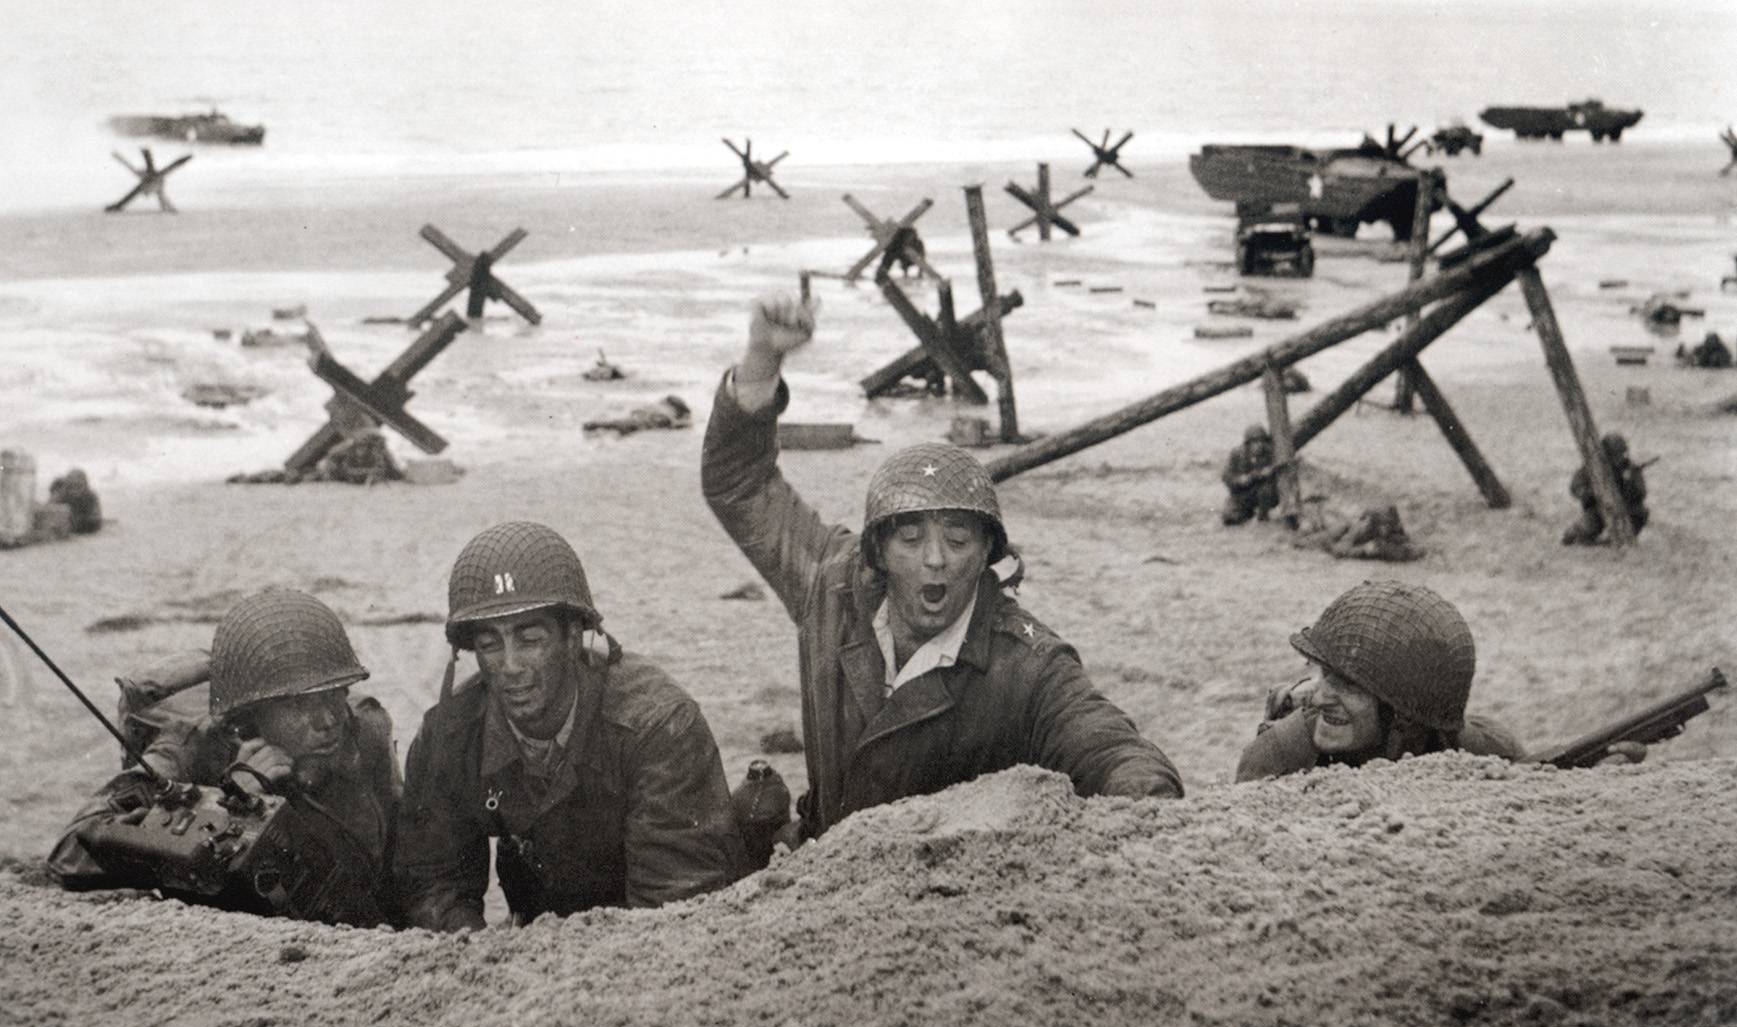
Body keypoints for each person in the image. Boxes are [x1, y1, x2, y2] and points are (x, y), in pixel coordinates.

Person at [702, 295, 1183, 845]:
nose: (935, 558)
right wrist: (761, 358)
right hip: (823, 866)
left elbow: (1113, 750)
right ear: (876, 551)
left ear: (986, 555)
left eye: (957, 539)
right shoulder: (833, 583)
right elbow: (738, 484)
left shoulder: (1027, 664)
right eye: (910, 538)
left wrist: (1147, 816)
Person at [394, 521, 744, 932]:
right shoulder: (450, 737)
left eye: (530, 640)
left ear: (573, 636)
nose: (509, 667)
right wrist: (474, 953)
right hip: (546, 944)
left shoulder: (657, 727)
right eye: (490, 645)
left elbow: (675, 909)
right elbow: (433, 883)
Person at [48, 588, 402, 926]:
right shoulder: (191, 747)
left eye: (334, 694)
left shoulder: (365, 729)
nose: (327, 721)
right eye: (297, 704)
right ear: (249, 716)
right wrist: (220, 808)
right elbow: (70, 852)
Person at [1235, 581, 1526, 781]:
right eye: (1325, 675)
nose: (1319, 697)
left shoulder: (1490, 754)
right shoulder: (1277, 760)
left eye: (1349, 685)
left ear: (1404, 714)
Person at [1561, 433, 1649, 545]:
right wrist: (1595, 492)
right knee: (1581, 533)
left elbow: (1641, 493)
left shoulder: (1629, 468)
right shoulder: (1593, 468)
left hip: (1624, 509)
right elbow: (1575, 488)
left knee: (1641, 513)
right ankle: (1578, 535)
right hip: (1597, 510)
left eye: (1622, 454)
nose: (1620, 459)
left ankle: (1620, 540)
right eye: (1616, 455)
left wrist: (1629, 483)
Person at [1221, 424, 1281, 525]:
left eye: (1262, 441)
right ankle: (1247, 514)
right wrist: (1240, 480)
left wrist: (1270, 472)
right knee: (1229, 517)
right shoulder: (1237, 455)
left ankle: (1263, 516)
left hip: (1264, 492)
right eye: (1255, 441)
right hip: (1243, 493)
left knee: (1266, 492)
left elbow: (1277, 471)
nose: (1259, 445)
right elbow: (1227, 477)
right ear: (1248, 444)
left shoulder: (1270, 454)